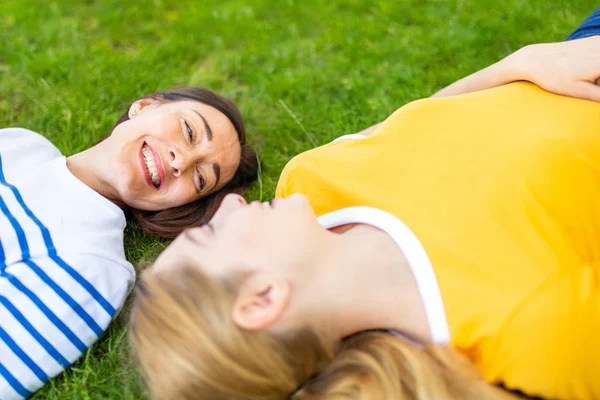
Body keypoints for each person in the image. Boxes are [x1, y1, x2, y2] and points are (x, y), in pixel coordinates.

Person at [129, 11, 600, 400]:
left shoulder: (307, 183)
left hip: (569, 56)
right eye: (211, 233)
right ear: (264, 298)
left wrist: (520, 63)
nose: (230, 202)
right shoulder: (531, 326)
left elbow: (421, 124)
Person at [0, 87, 258, 399]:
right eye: (189, 130)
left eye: (200, 178)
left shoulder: (91, 266)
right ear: (144, 106)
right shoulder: (22, 144)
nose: (183, 161)